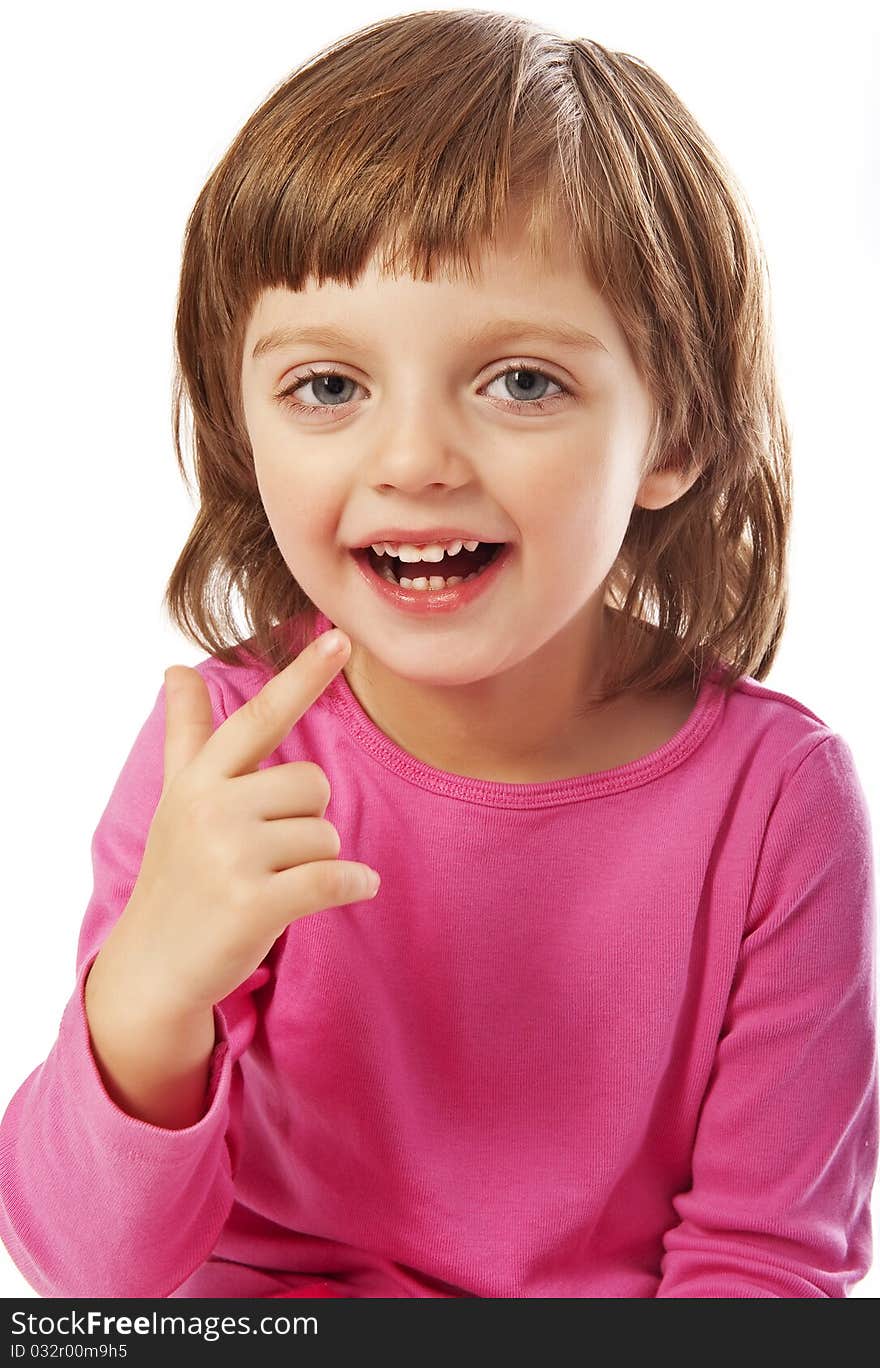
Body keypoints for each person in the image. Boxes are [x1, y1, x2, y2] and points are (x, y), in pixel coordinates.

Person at [0, 8, 876, 1300]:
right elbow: (91, 1284)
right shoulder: (228, 759)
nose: (413, 463)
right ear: (243, 429)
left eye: (521, 381)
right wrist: (149, 993)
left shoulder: (776, 798)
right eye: (329, 388)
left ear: (675, 432)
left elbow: (761, 1264)